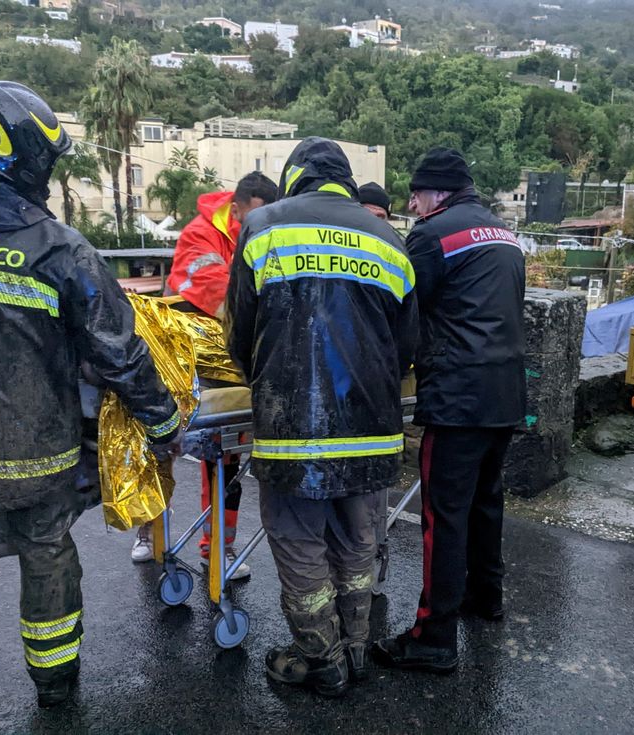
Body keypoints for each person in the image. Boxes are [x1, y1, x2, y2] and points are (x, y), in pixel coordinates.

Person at [0, 81, 180, 713]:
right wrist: (162, 421)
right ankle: (56, 687)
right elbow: (119, 350)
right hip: (36, 453)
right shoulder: (58, 248)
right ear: (26, 156)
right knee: (47, 552)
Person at [227, 137, 417, 696]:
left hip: (294, 430)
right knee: (359, 539)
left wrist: (261, 382)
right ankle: (357, 647)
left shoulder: (263, 227)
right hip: (375, 427)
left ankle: (321, 658)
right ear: (347, 182)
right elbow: (406, 346)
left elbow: (240, 331)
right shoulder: (389, 239)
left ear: (293, 179)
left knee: (299, 540)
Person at [374, 148, 526, 674]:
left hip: (458, 396)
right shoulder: (506, 234)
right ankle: (486, 598)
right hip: (506, 393)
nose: (412, 204)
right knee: (487, 501)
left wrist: (385, 370)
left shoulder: (432, 236)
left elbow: (403, 308)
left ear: (438, 193)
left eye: (416, 194)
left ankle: (432, 636)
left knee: (443, 516)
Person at [131, 172, 277, 578]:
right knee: (161, 446)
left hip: (232, 356)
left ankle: (219, 547)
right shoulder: (202, 234)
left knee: (227, 454)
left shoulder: (260, 234)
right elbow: (212, 288)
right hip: (186, 354)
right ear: (238, 207)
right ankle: (149, 531)